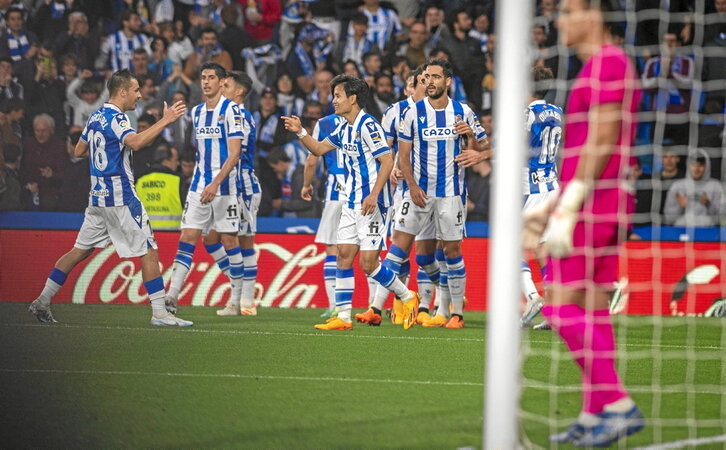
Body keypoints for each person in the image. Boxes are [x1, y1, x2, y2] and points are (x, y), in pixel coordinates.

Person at [522, 0, 645, 445]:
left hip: (595, 203)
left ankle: (617, 403)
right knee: (591, 308)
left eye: (569, 10)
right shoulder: (601, 65)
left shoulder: (608, 63)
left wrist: (567, 206)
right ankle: (595, 414)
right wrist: (552, 202)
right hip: (598, 199)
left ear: (593, 14)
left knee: (557, 306)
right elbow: (583, 146)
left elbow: (603, 136)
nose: (560, 21)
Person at [28, 69, 191, 326]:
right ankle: (160, 313)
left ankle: (42, 300)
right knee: (149, 249)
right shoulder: (117, 118)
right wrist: (166, 120)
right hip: (121, 197)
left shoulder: (95, 116)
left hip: (97, 198)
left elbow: (80, 150)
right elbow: (135, 143)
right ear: (122, 91)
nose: (139, 95)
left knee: (79, 251)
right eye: (136, 90)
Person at [282, 74, 419, 331]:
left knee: (368, 264)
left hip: (372, 205)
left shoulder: (369, 126)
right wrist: (300, 131)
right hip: (350, 202)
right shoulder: (343, 128)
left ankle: (408, 296)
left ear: (352, 98)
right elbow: (319, 149)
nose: (333, 101)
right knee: (343, 257)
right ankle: (343, 317)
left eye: (338, 96)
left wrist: (374, 194)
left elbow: (387, 161)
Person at [372, 59, 488, 330]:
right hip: (419, 192)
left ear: (447, 81)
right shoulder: (412, 113)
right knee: (408, 249)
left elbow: (483, 146)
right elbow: (403, 154)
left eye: (436, 77)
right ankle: (382, 306)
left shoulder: (463, 112)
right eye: (426, 77)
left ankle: (455, 313)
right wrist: (412, 186)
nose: (430, 82)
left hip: (452, 194)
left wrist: (471, 137)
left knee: (452, 250)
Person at [165, 62, 244, 316]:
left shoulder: (232, 111)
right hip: (199, 186)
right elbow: (198, 152)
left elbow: (234, 154)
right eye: (203, 77)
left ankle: (236, 300)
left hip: (225, 188)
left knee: (229, 240)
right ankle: (172, 296)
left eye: (211, 77)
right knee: (187, 237)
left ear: (222, 83)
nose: (206, 82)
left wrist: (216, 183)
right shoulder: (196, 112)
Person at [210, 70, 262, 316]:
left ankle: (246, 301)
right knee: (210, 238)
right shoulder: (227, 114)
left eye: (226, 85)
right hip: (224, 186)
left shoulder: (240, 115)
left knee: (243, 242)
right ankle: (239, 286)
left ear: (238, 91)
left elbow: (235, 153)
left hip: (242, 186)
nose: (221, 88)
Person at [518, 66, 564, 329]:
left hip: (531, 188)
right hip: (551, 186)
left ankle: (533, 297)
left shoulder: (528, 113)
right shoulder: (557, 112)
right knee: (543, 251)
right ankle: (555, 314)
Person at [301, 113, 346, 318]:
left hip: (336, 191)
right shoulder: (368, 120)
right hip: (363, 188)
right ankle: (374, 304)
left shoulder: (325, 123)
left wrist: (306, 185)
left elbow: (312, 159)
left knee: (332, 246)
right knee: (367, 247)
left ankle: (334, 306)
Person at [663, 150, 723, 227]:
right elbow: (669, 219)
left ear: (707, 166)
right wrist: (679, 207)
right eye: (693, 165)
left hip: (708, 231)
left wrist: (708, 204)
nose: (696, 169)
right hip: (681, 231)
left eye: (700, 165)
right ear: (688, 166)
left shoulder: (715, 186)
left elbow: (721, 218)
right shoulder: (677, 186)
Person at [135, 143, 183, 231]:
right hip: (172, 237)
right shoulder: (178, 181)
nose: (178, 163)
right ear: (166, 161)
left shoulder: (139, 180)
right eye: (175, 160)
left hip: (146, 236)